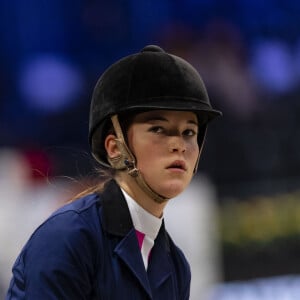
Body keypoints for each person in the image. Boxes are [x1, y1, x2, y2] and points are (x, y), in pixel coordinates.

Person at [6, 45, 221, 299]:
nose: (179, 145)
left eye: (189, 132)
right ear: (114, 147)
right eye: (158, 130)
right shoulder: (67, 238)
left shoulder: (175, 264)